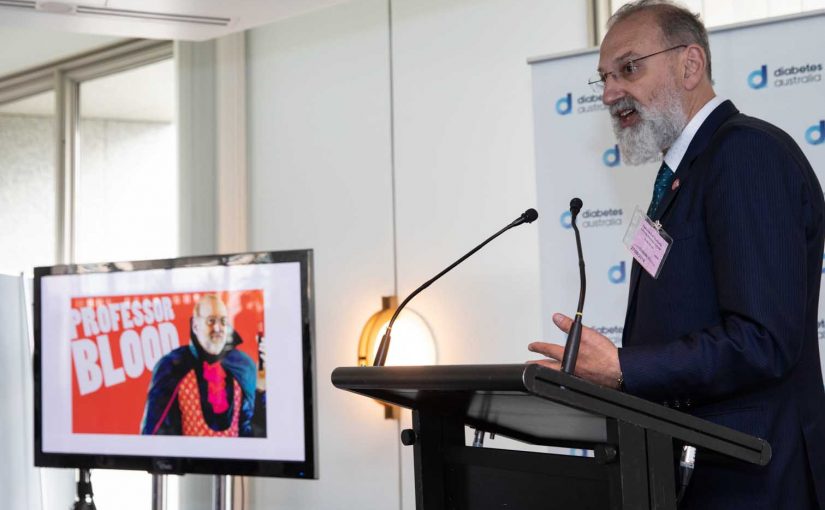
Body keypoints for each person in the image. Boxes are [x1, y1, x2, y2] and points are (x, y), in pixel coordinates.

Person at [528, 1, 825, 507]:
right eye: (603, 77)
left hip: (752, 480)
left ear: (691, 64)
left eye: (628, 68)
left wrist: (625, 367)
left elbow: (762, 340)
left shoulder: (745, 155)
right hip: (693, 472)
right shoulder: (682, 174)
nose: (609, 93)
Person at [141, 294, 263, 437]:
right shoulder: (172, 366)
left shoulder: (244, 366)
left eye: (223, 321)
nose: (218, 328)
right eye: (211, 321)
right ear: (195, 326)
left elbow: (248, 427)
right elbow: (156, 436)